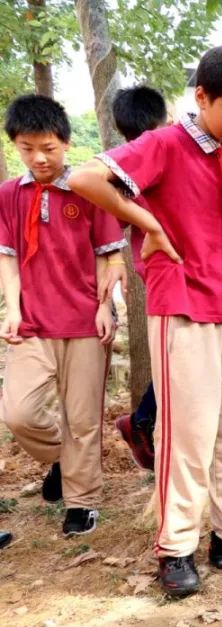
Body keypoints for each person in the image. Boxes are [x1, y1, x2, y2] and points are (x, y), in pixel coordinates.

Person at [68, 46, 222, 598]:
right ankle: (176, 545)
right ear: (201, 98)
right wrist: (147, 220)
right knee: (188, 431)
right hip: (182, 305)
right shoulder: (167, 143)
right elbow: (86, 178)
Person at [0, 94, 125, 536]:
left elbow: (106, 257)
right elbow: (9, 258)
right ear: (14, 144)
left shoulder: (89, 188)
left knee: (84, 418)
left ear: (66, 144)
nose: (38, 157)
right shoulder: (9, 195)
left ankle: (82, 500)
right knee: (18, 413)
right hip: (32, 323)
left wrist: (105, 307)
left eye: (48, 148)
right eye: (27, 147)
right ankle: (60, 459)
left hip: (84, 324)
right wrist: (11, 311)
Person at [109, 85, 169, 473]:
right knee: (177, 360)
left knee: (177, 360)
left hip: (159, 271)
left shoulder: (128, 167)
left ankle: (144, 417)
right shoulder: (150, 158)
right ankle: (143, 417)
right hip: (168, 272)